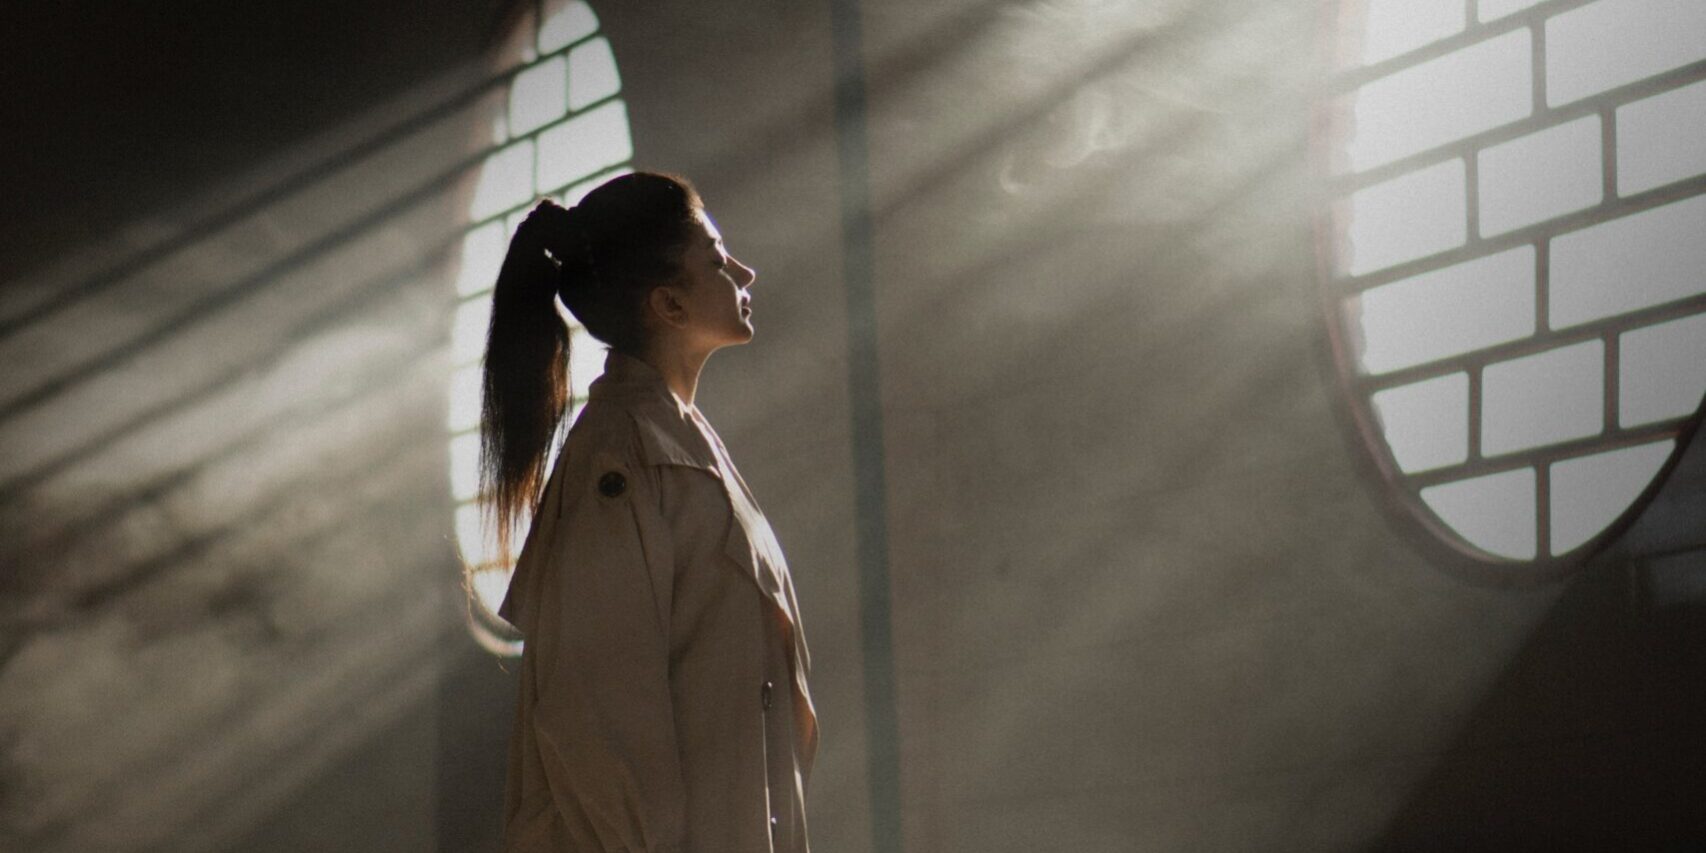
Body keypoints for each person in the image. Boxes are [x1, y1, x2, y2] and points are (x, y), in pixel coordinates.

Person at [477, 172, 818, 852]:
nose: (745, 271)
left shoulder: (682, 444)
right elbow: (602, 718)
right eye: (717, 262)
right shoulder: (621, 456)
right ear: (668, 303)